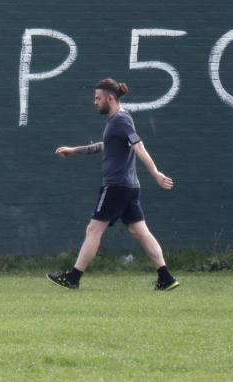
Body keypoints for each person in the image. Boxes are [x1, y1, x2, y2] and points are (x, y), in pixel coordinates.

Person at [46, 78, 179, 291]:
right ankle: (166, 277)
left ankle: (73, 277)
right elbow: (105, 146)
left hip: (116, 187)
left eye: (98, 98)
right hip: (128, 187)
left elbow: (139, 146)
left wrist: (155, 173)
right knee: (140, 232)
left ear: (110, 98)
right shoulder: (115, 122)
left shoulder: (121, 120)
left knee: (93, 230)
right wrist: (74, 150)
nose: (95, 102)